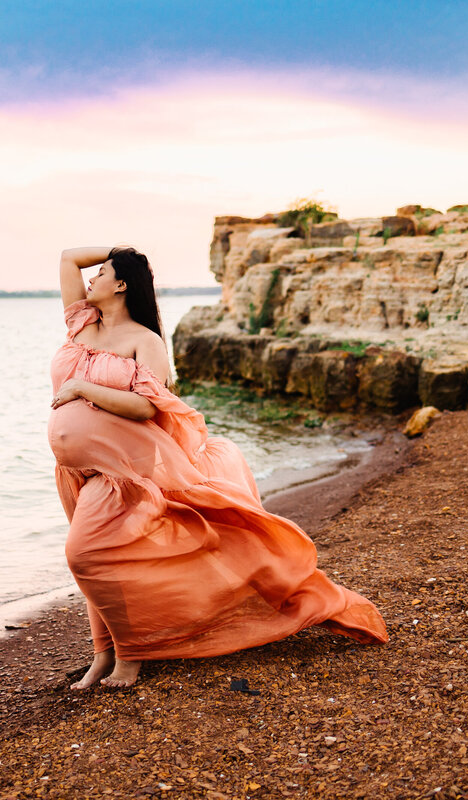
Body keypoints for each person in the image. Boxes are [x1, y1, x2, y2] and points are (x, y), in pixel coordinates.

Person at [48, 246, 387, 689]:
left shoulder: (144, 341)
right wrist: (120, 249)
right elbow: (68, 257)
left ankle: (131, 657)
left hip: (126, 474)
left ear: (122, 285)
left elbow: (146, 407)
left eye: (103, 272)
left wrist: (80, 387)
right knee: (102, 559)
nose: (91, 278)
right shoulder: (82, 324)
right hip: (78, 471)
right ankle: (103, 654)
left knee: (87, 554)